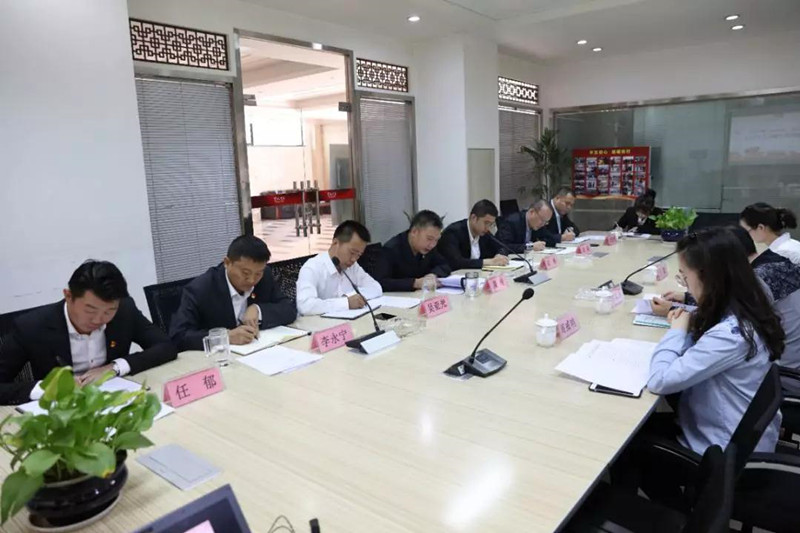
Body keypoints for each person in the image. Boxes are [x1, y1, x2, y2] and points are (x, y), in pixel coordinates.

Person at [647, 228, 784, 456]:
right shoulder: (748, 302)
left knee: (625, 443)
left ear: (707, 277)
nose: (686, 285)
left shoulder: (731, 334)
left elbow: (659, 381)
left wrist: (677, 331)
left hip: (718, 450)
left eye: (684, 276)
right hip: (731, 432)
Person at [0, 261, 178, 405]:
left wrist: (114, 368)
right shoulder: (32, 326)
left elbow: (165, 346)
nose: (99, 319)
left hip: (114, 402)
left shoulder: (124, 310)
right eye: (90, 310)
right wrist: (49, 388)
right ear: (68, 296)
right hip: (62, 414)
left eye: (109, 311)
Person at [654, 227, 800, 375]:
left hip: (784, 367)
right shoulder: (765, 266)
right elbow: (725, 301)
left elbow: (662, 378)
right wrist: (687, 298)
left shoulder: (763, 278)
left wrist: (677, 317)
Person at [170, 235, 296, 351]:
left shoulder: (265, 276)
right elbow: (178, 336)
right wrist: (225, 337)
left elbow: (289, 309)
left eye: (258, 273)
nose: (252, 280)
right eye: (245, 273)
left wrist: (258, 309)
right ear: (227, 263)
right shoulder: (201, 289)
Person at [296, 221, 383, 316]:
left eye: (359, 255)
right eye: (352, 252)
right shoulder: (312, 268)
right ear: (335, 243)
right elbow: (305, 306)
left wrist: (350, 297)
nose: (354, 259)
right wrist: (346, 302)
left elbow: (376, 288)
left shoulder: (353, 267)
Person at [375, 210, 452, 292]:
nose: (432, 245)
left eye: (436, 240)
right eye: (429, 239)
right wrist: (414, 283)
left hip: (420, 295)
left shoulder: (428, 247)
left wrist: (433, 275)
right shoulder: (391, 249)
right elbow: (381, 282)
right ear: (414, 232)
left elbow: (444, 265)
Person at [437, 199, 509, 270]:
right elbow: (456, 262)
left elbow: (503, 247)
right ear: (473, 218)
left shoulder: (484, 233)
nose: (488, 228)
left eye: (491, 224)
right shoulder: (453, 232)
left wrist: (499, 255)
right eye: (486, 223)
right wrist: (488, 262)